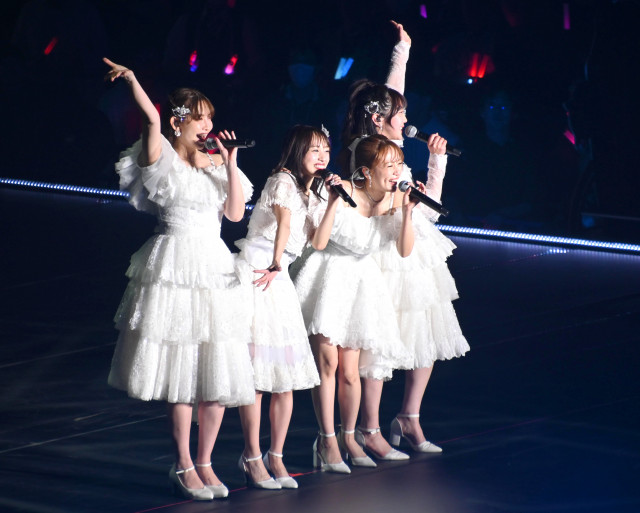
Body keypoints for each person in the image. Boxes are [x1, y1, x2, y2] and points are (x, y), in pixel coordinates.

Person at [103, 58, 255, 501]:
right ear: (178, 122)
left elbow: (234, 215)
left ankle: (206, 462)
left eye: (210, 117)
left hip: (214, 264)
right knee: (183, 370)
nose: (208, 125)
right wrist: (134, 80)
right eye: (200, 118)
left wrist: (230, 162)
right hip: (175, 262)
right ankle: (183, 463)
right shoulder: (162, 157)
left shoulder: (215, 161)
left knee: (216, 368)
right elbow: (151, 119)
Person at [341, 22, 469, 460]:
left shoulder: (393, 146)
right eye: (399, 115)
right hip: (384, 249)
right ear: (378, 119)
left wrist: (437, 161)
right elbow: (389, 99)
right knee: (380, 341)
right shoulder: (367, 148)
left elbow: (428, 208)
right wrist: (400, 57)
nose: (407, 121)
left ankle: (409, 417)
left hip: (415, 243)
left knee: (424, 331)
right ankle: (369, 428)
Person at [293, 134, 419, 473]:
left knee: (350, 372)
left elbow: (405, 250)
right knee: (328, 364)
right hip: (328, 276)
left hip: (361, 284)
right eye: (389, 165)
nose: (397, 171)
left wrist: (408, 213)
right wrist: (334, 202)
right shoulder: (342, 189)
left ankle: (349, 437)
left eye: (398, 164)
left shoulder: (395, 199)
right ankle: (326, 440)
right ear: (366, 170)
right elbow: (319, 243)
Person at [233, 125, 343, 489]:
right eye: (314, 150)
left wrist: (333, 202)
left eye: (326, 150)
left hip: (279, 275)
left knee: (284, 376)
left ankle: (275, 457)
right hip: (261, 269)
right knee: (258, 374)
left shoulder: (313, 193)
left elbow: (319, 242)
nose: (322, 157)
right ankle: (251, 457)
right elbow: (283, 222)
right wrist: (277, 262)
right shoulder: (281, 180)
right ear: (298, 152)